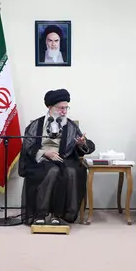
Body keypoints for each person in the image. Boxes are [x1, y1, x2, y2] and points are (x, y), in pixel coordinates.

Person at [18, 88, 95, 225]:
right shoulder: (36, 124)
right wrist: (45, 153)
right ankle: (40, 214)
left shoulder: (70, 126)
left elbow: (84, 145)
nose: (64, 111)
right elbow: (27, 147)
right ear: (50, 107)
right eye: (61, 108)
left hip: (63, 160)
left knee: (70, 171)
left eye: (66, 108)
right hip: (41, 161)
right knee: (53, 171)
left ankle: (58, 214)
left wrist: (81, 143)